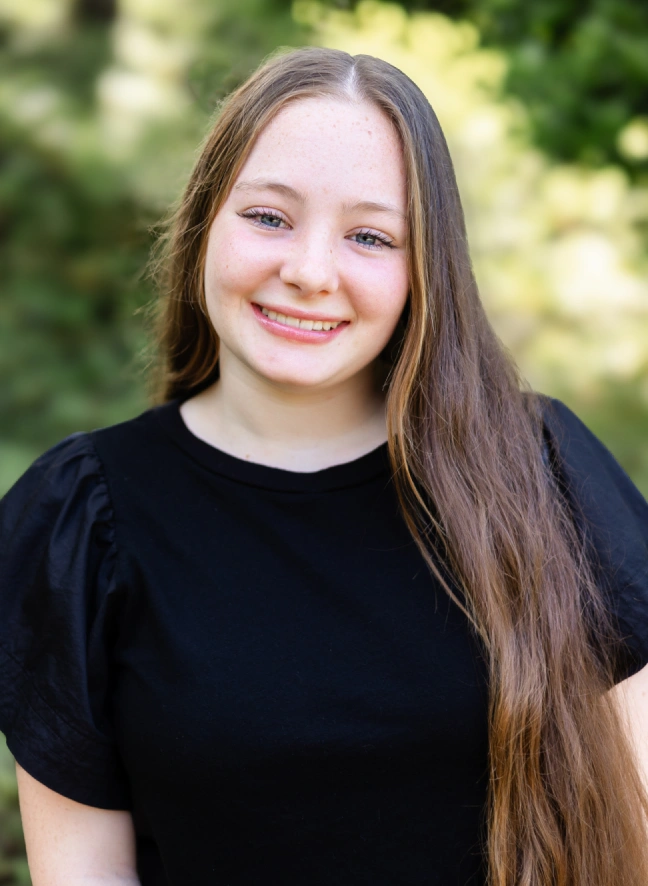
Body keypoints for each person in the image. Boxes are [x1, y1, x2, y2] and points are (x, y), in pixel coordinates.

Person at [1, 46, 647, 886]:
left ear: (426, 274)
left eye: (370, 237)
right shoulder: (82, 523)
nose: (309, 272)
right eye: (268, 217)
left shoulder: (541, 474)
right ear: (204, 224)